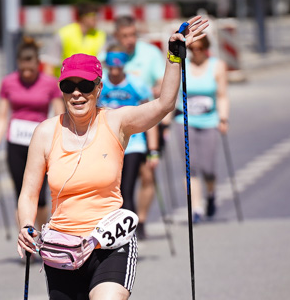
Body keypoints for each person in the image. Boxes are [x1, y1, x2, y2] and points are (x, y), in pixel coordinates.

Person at [17, 17, 210, 300]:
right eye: (69, 86)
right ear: (61, 89)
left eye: (86, 85)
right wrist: (27, 226)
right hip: (62, 250)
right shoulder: (46, 133)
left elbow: (165, 102)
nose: (77, 93)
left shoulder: (118, 122)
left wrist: (174, 54)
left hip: (110, 244)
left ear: (99, 87)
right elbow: (29, 193)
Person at [0, 37, 63, 231]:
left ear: (38, 65)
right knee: (21, 193)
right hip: (16, 143)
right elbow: (2, 116)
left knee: (41, 196)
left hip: (42, 144)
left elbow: (59, 114)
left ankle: (43, 232)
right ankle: (27, 237)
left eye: (31, 70)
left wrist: (61, 142)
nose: (27, 74)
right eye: (23, 70)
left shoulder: (50, 83)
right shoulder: (8, 82)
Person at [114, 15, 167, 239]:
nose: (130, 40)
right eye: (125, 35)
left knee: (146, 175)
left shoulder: (149, 54)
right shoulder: (108, 55)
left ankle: (141, 219)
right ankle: (123, 222)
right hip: (117, 132)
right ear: (116, 36)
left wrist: (157, 91)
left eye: (133, 34)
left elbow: (164, 81)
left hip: (147, 125)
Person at [98, 44, 159, 219]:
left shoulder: (137, 84)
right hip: (107, 144)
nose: (115, 71)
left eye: (119, 67)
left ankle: (131, 231)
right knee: (110, 190)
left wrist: (153, 150)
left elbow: (150, 117)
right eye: (111, 66)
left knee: (127, 190)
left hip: (133, 144)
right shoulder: (100, 84)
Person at [174, 34, 228, 222]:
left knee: (208, 168)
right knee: (191, 166)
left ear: (206, 49)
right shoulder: (183, 66)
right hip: (185, 121)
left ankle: (211, 195)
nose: (196, 53)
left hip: (209, 120)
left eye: (200, 49)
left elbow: (222, 95)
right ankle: (196, 208)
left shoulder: (217, 65)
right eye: (192, 49)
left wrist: (223, 118)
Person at [43, 2, 106, 77]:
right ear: (82, 17)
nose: (96, 18)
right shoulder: (64, 33)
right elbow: (50, 62)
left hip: (89, 82)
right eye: (93, 15)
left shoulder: (100, 35)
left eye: (97, 15)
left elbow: (102, 63)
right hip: (65, 81)